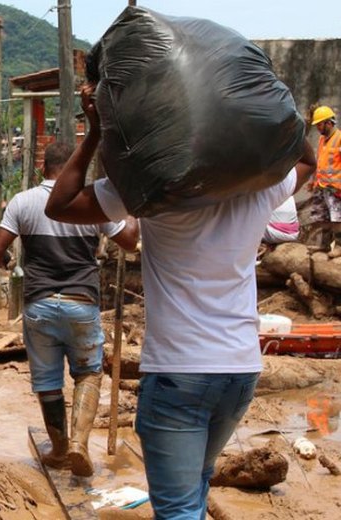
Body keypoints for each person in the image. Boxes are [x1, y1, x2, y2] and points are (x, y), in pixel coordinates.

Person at [43, 84, 316, 517]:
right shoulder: (256, 190)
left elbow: (60, 204)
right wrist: (279, 103)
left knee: (177, 509)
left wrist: (95, 130)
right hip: (240, 372)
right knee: (197, 486)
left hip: (179, 375)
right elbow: (307, 161)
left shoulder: (155, 190)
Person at [0, 141, 139, 477]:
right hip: (82, 303)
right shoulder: (92, 202)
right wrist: (130, 202)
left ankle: (59, 448)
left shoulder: (23, 202)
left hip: (39, 306)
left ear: (42, 168)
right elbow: (130, 240)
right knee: (88, 373)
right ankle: (79, 442)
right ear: (80, 168)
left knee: (47, 380)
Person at [304, 105, 341, 252]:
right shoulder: (321, 140)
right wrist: (313, 182)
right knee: (322, 216)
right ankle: (324, 245)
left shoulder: (339, 138)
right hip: (322, 185)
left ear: (329, 122)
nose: (318, 127)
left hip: (336, 188)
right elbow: (319, 162)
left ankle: (339, 246)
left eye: (320, 124)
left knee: (337, 217)